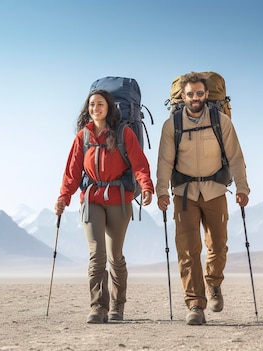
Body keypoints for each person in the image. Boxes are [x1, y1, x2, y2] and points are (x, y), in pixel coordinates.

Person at [156, 72, 250, 325]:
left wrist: (242, 188)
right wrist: (162, 191)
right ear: (183, 96)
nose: (195, 98)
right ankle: (195, 304)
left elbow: (236, 157)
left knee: (218, 246)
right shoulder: (172, 125)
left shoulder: (221, 122)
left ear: (207, 95)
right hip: (184, 195)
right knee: (187, 250)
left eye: (199, 93)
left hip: (215, 191)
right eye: (190, 94)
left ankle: (213, 283)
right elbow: (164, 161)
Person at [55, 89, 154, 324]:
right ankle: (98, 306)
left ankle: (117, 306)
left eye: (100, 104)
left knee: (115, 256)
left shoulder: (123, 133)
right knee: (96, 254)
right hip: (92, 201)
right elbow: (72, 171)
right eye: (91, 104)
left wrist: (147, 187)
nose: (95, 108)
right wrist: (63, 197)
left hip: (119, 200)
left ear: (109, 107)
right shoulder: (83, 136)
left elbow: (139, 163)